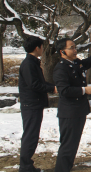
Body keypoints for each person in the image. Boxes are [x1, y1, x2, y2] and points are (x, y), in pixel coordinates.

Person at [53, 32, 91, 172]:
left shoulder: (75, 63)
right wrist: (83, 90)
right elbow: (64, 91)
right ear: (62, 52)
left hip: (79, 110)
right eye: (71, 48)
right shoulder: (60, 68)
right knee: (68, 146)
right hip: (69, 113)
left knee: (73, 145)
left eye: (75, 47)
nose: (75, 50)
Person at [19, 36, 57, 172]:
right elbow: (34, 84)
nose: (43, 49)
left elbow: (40, 82)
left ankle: (26, 165)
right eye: (42, 47)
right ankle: (25, 167)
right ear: (37, 48)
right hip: (31, 104)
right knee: (30, 136)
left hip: (35, 104)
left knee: (32, 135)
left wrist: (53, 86)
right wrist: (52, 88)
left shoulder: (33, 62)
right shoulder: (28, 64)